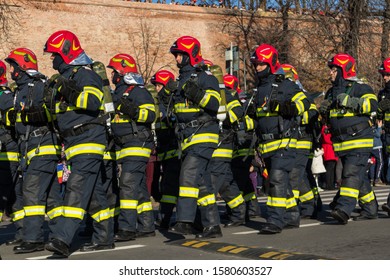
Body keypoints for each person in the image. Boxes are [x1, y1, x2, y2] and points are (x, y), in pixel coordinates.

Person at [43, 30, 113, 256]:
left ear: (65, 52)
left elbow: (92, 101)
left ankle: (63, 239)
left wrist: (65, 87)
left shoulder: (85, 74)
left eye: (54, 55)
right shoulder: (69, 77)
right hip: (74, 141)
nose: (52, 59)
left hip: (89, 139)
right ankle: (104, 238)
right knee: (93, 194)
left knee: (77, 187)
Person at [4, 48, 63, 254]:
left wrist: (34, 114)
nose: (11, 71)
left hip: (42, 147)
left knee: (31, 193)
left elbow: (50, 112)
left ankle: (33, 238)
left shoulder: (37, 86)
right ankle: (60, 237)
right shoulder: (20, 90)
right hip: (31, 149)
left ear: (22, 67)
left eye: (13, 66)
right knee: (52, 198)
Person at [248, 44, 310, 234]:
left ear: (271, 63)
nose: (257, 68)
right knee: (282, 182)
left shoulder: (286, 84)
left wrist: (288, 108)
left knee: (276, 179)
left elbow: (304, 102)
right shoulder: (258, 89)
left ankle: (275, 219)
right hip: (267, 144)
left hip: (285, 142)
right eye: (255, 65)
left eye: (260, 64)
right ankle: (292, 216)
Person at [168, 36, 222, 239]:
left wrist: (195, 92)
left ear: (191, 55)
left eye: (181, 55)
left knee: (188, 174)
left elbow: (214, 104)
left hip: (203, 133)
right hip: (188, 137)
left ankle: (185, 222)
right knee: (202, 182)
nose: (177, 59)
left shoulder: (205, 77)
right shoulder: (181, 80)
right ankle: (212, 225)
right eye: (176, 55)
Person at [320, 53, 378, 223]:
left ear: (343, 69)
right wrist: (324, 110)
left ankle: (343, 209)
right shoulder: (331, 92)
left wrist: (352, 102)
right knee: (358, 177)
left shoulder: (360, 88)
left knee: (350, 174)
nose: (330, 72)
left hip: (359, 139)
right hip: (342, 143)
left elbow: (372, 106)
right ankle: (370, 208)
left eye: (334, 69)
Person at [107, 53, 156, 241]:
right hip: (125, 145)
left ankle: (127, 228)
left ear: (123, 71)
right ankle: (146, 226)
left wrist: (132, 110)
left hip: (137, 144)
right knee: (139, 186)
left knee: (127, 183)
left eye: (114, 72)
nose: (112, 76)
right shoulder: (118, 93)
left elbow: (150, 115)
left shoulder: (138, 91)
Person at [280, 63, 318, 219]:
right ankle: (311, 204)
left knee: (295, 175)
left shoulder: (303, 94)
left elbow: (313, 114)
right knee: (300, 176)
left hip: (302, 139)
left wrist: (297, 116)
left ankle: (293, 209)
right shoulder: (281, 92)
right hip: (289, 139)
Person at [150, 69, 180, 229]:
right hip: (165, 152)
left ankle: (173, 219)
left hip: (176, 151)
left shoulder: (172, 102)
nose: (156, 89)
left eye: (159, 85)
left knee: (173, 186)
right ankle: (165, 218)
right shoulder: (159, 103)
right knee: (167, 187)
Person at [0, 60, 23, 246]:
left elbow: (12, 119)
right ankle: (24, 231)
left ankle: (25, 232)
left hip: (7, 151)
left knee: (7, 191)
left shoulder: (4, 95)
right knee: (13, 194)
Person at [377, 57, 390, 215]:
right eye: (384, 75)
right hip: (387, 134)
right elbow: (378, 113)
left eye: (387, 74)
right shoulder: (383, 93)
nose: (384, 77)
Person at [369, 120, 383, 186]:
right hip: (377, 146)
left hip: (371, 147)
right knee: (380, 162)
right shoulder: (372, 127)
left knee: (373, 163)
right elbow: (377, 134)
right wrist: (379, 127)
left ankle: (372, 179)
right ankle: (377, 179)